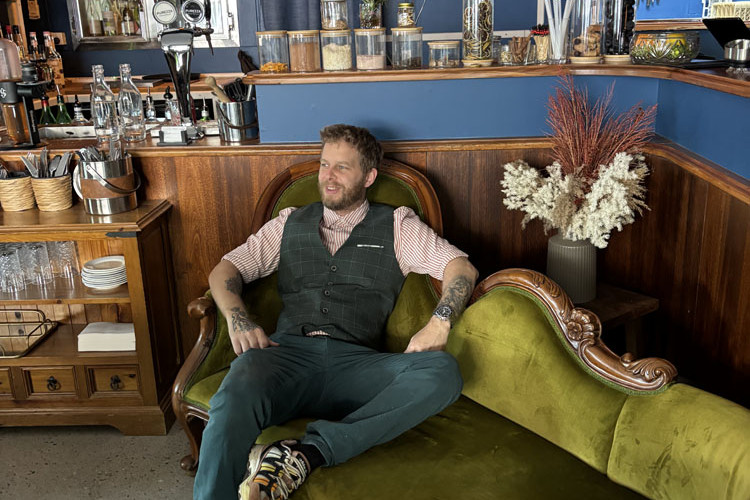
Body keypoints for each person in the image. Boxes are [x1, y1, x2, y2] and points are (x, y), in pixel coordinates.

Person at [194, 124, 478, 500]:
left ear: (369, 176)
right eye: (325, 165)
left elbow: (461, 268)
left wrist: (439, 323)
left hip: (357, 366)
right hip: (286, 357)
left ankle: (308, 452)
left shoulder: (397, 225)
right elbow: (224, 271)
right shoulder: (288, 223)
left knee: (443, 373)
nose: (328, 176)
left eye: (342, 168)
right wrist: (237, 317)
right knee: (239, 380)